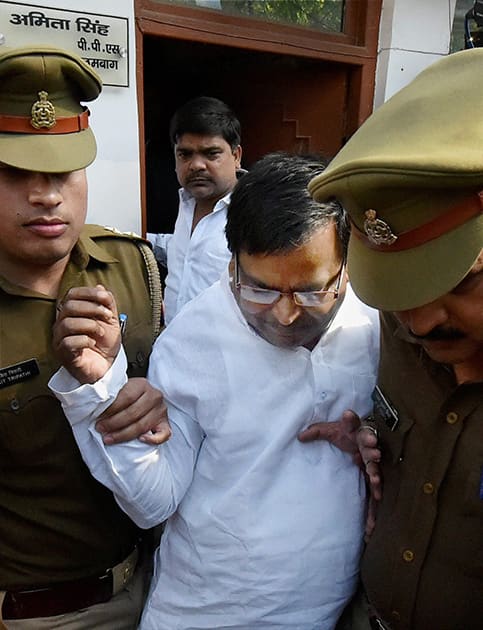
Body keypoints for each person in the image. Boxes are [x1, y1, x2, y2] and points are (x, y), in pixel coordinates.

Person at [50, 153, 380, 629]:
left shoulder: (378, 321)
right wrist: (100, 389)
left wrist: (375, 440)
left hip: (332, 610)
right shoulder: (194, 339)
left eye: (310, 292)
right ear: (232, 266)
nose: (285, 314)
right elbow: (153, 501)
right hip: (208, 613)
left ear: (346, 267)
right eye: (261, 290)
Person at [308, 48, 483, 630]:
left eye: (460, 280)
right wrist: (367, 437)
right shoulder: (399, 328)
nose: (423, 322)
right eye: (402, 290)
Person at [0, 45, 168, 628]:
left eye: (65, 173)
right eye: (16, 174)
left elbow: (178, 405)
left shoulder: (132, 269)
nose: (46, 195)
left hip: (151, 589)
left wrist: (156, 400)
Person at [147, 96, 243, 324]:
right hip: (171, 348)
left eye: (211, 154)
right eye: (185, 154)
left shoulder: (256, 214)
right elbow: (188, 253)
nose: (197, 165)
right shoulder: (186, 202)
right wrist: (137, 241)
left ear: (236, 156)